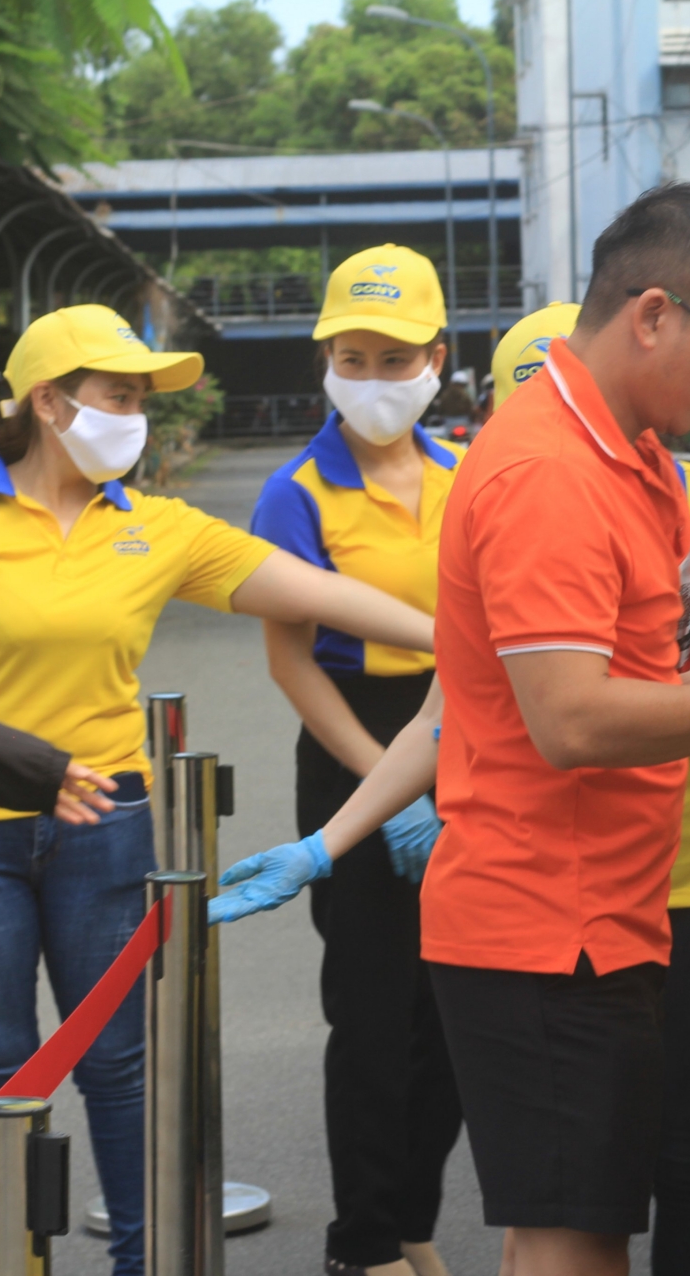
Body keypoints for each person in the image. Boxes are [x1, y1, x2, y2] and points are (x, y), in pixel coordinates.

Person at [209, 183, 690, 1276]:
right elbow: (571, 718)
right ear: (650, 314)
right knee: (573, 1239)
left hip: (601, 913)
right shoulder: (550, 472)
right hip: (548, 927)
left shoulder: (634, 463)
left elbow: (608, 677)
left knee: (568, 1228)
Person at [0, 304, 438, 1276]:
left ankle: (144, 1263)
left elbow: (316, 593)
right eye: (120, 395)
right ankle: (6, 1261)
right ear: (51, 402)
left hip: (108, 823)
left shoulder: (158, 528)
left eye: (143, 399)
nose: (136, 415)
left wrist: (466, 638)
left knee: (119, 1069)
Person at [490, 301, 690, 1273]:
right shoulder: (508, 503)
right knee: (565, 1185)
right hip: (562, 889)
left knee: (686, 1158)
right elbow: (492, 703)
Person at [250, 244, 464, 1276]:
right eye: (354, 354)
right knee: (375, 1013)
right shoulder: (295, 492)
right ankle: (364, 1239)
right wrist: (393, 794)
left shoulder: (471, 476)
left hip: (466, 739)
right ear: (327, 358)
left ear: (437, 356)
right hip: (353, 742)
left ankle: (414, 1214)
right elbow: (291, 664)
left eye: (394, 356)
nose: (373, 377)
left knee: (459, 1011)